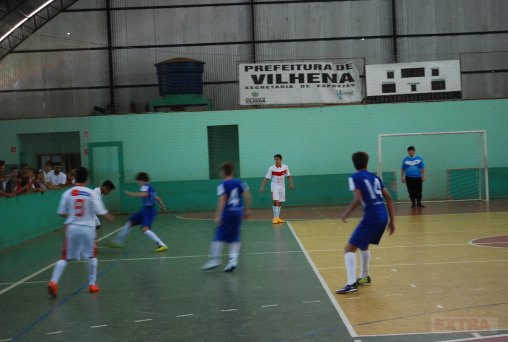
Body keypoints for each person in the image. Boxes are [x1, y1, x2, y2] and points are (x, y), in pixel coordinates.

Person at [47, 167, 113, 298]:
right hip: (88, 228)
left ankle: (53, 282)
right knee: (92, 256)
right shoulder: (91, 193)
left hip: (72, 228)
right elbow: (100, 211)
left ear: (74, 178)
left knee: (65, 258)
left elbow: (60, 212)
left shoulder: (68, 193)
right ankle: (92, 284)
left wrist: (72, 217)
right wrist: (109, 217)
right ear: (87, 179)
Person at [336, 152, 395, 294]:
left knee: (349, 249)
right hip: (383, 215)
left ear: (354, 163)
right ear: (367, 163)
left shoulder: (355, 177)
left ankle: (351, 284)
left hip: (372, 216)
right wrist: (392, 221)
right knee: (363, 245)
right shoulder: (375, 177)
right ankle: (364, 276)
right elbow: (389, 198)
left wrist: (347, 213)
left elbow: (357, 198)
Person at [202, 162, 251, 272]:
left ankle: (214, 260)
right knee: (235, 237)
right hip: (238, 212)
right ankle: (233, 261)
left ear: (223, 172)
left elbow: (222, 199)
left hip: (227, 213)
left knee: (218, 235)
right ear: (232, 172)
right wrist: (247, 210)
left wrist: (218, 215)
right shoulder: (240, 182)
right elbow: (247, 195)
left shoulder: (222, 184)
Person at [110, 172, 168, 252]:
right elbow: (157, 198)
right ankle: (117, 241)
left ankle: (161, 244)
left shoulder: (146, 186)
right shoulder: (151, 187)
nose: (138, 183)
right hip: (144, 210)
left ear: (142, 180)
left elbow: (145, 194)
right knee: (130, 222)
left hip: (148, 211)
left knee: (145, 229)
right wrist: (162, 206)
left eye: (138, 181)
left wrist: (133, 194)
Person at [259, 154, 294, 224]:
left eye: (277, 159)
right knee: (276, 201)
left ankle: (277, 217)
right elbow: (266, 178)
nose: (276, 161)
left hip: (282, 186)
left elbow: (289, 176)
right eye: (275, 159)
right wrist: (262, 187)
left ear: (281, 160)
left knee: (280, 202)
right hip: (274, 186)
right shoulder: (271, 168)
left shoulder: (285, 167)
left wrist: (291, 184)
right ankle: (275, 218)